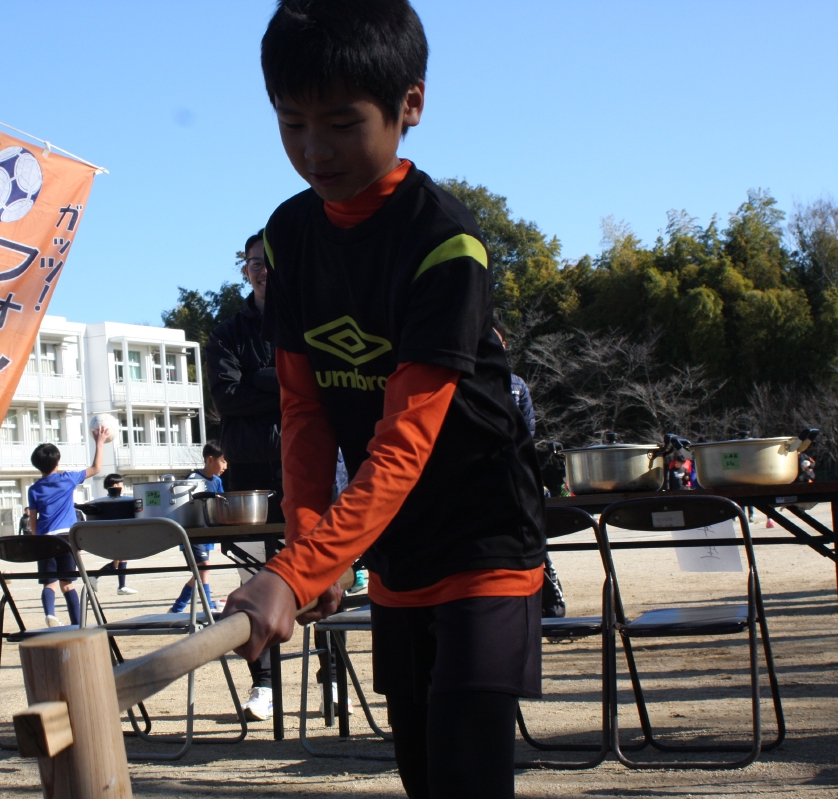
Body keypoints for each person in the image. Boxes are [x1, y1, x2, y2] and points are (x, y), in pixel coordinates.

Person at [221, 5, 547, 798]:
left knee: (466, 776)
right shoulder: (289, 235)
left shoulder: (444, 243)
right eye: (291, 123)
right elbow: (303, 411)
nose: (314, 149)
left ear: (410, 104)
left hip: (483, 537)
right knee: (420, 774)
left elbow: (406, 439)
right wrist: (311, 547)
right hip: (397, 548)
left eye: (340, 123)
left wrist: (296, 571)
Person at [206, 232, 284, 720]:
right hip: (249, 474)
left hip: (306, 465)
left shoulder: (307, 321)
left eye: (270, 261)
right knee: (251, 580)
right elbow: (226, 397)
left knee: (321, 574)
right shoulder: (227, 333)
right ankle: (265, 684)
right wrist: (282, 383)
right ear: (245, 269)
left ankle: (330, 676)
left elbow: (318, 386)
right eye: (255, 262)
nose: (262, 270)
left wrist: (258, 379)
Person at [492, 318, 565, 619]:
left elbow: (528, 430)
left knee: (530, 533)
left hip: (514, 471)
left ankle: (549, 588)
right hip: (477, 476)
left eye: (497, 340)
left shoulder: (516, 384)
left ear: (504, 345)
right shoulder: (461, 380)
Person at [27, 431, 107, 627]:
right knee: (68, 584)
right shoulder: (68, 479)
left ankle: (50, 614)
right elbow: (96, 468)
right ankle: (77, 624)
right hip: (66, 539)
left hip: (45, 539)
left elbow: (33, 518)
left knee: (50, 583)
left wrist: (36, 538)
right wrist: (100, 442)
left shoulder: (34, 489)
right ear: (57, 463)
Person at [169, 442, 227, 613]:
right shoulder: (192, 479)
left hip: (206, 534)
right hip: (193, 533)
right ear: (210, 460)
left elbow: (221, 504)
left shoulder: (217, 481)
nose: (225, 466)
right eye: (223, 461)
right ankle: (208, 607)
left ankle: (176, 608)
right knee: (204, 567)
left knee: (199, 573)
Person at [92, 474, 138, 595]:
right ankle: (121, 586)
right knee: (121, 558)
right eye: (121, 484)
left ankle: (94, 577)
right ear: (115, 486)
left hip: (112, 534)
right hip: (117, 533)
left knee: (117, 562)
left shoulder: (105, 500)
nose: (123, 486)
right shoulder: (117, 501)